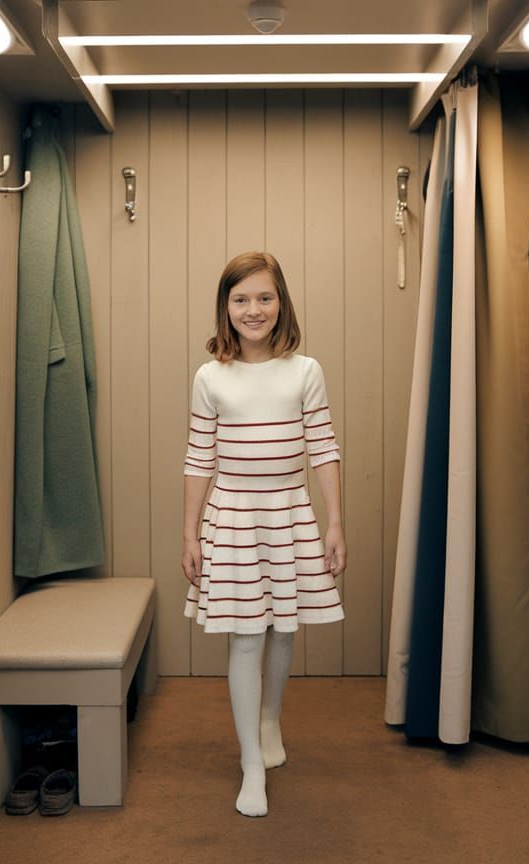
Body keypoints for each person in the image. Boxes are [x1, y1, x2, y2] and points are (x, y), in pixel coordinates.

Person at [181, 251, 347, 817]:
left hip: (290, 513)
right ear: (226, 309)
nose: (254, 310)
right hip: (232, 519)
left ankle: (270, 720)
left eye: (265, 297)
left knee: (281, 629)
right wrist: (189, 534)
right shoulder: (210, 376)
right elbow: (199, 458)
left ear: (282, 303)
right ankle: (251, 761)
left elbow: (323, 448)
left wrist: (335, 523)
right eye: (241, 299)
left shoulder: (305, 371)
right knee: (246, 635)